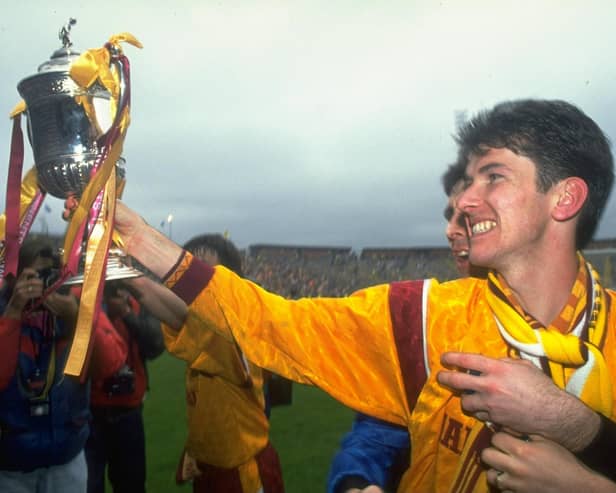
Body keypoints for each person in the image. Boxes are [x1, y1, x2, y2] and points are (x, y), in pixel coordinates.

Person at [110, 98, 616, 492]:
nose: (463, 201)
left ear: (565, 198)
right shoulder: (421, 317)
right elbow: (275, 324)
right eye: (468, 181)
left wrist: (582, 459)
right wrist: (141, 241)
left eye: (494, 176)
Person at [327, 166, 472, 493]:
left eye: (467, 216)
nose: (450, 231)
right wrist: (355, 481)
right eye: (451, 216)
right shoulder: (424, 321)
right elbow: (379, 432)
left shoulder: (603, 325)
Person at [129, 234, 285, 493]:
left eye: (200, 270)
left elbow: (174, 311)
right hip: (212, 465)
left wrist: (130, 276)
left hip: (243, 474)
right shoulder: (204, 326)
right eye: (186, 269)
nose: (188, 281)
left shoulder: (234, 326)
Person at [0, 237, 127, 493]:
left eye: (51, 275)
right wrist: (14, 310)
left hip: (67, 458)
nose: (44, 283)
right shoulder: (5, 309)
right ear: (16, 276)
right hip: (11, 465)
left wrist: (75, 318)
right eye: (35, 275)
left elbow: (109, 364)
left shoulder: (75, 305)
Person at [85, 279, 165, 493]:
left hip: (128, 411)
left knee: (131, 484)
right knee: (89, 485)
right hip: (89, 412)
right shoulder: (84, 298)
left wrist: (127, 314)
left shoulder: (139, 301)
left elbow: (155, 346)